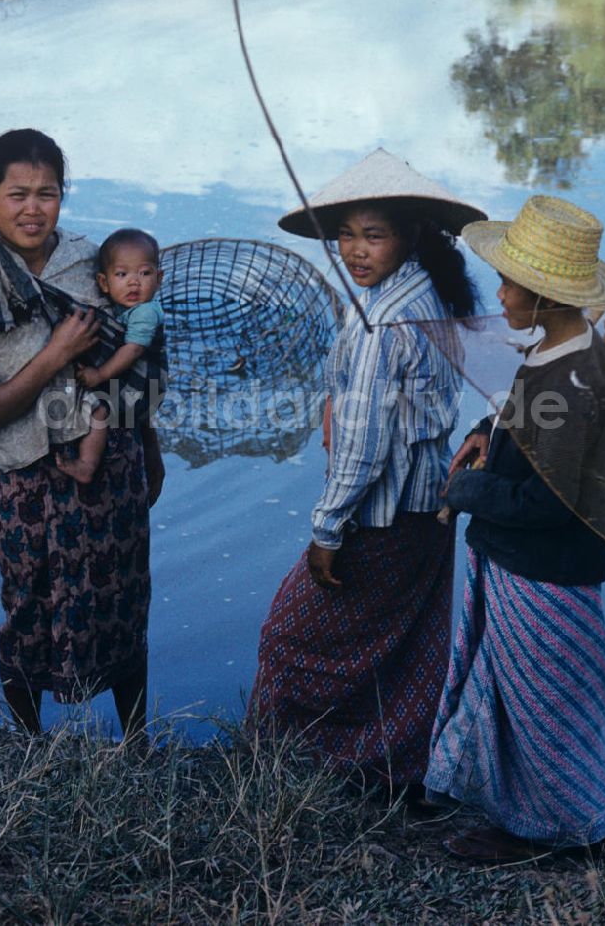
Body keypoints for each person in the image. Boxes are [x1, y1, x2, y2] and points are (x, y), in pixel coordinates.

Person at [247, 148, 487, 790]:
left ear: (408, 236)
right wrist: (339, 393)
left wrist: (327, 530)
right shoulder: (426, 295)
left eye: (373, 235)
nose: (356, 250)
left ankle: (291, 771)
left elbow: (362, 447)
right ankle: (400, 772)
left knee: (289, 641)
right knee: (405, 646)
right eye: (347, 235)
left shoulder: (385, 321)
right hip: (428, 508)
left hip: (383, 518)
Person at [0, 128, 163, 740]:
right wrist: (57, 351)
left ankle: (135, 744)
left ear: (63, 197)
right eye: (17, 194)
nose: (32, 208)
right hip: (32, 480)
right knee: (29, 612)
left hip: (110, 467)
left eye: (47, 193)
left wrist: (150, 449)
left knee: (124, 604)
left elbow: (135, 357)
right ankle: (28, 747)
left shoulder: (93, 263)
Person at [424, 195, 605, 861]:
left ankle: (549, 830)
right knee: (527, 691)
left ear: (545, 296)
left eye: (512, 281)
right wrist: (488, 433)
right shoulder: (563, 347)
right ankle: (538, 812)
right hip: (528, 566)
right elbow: (523, 417)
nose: (500, 291)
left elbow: (546, 505)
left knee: (540, 705)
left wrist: (467, 488)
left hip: (543, 572)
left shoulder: (571, 385)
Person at [55, 228, 165, 484]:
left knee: (100, 411)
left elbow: (134, 349)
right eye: (122, 274)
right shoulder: (124, 308)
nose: (134, 282)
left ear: (159, 279)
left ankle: (86, 464)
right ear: (103, 283)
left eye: (145, 273)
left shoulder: (145, 312)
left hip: (144, 385)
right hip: (135, 381)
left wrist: (100, 374)